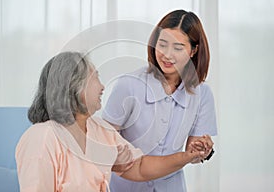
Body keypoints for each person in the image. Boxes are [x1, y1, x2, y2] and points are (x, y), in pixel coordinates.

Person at [15, 51, 206, 192]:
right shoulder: (42, 137)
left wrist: (187, 156)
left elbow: (139, 167)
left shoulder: (100, 130)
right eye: (95, 77)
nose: (102, 86)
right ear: (75, 86)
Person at [102, 9, 218, 192]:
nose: (167, 55)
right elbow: (105, 142)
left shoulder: (202, 94)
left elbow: (192, 155)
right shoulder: (129, 85)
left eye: (178, 48)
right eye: (162, 44)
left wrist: (202, 150)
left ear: (194, 50)